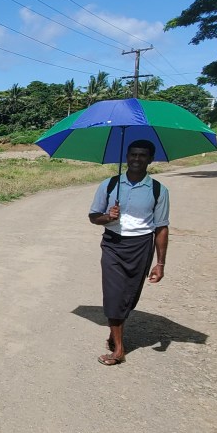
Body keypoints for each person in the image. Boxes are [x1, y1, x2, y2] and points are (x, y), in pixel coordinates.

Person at [88, 139, 169, 366]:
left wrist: (160, 263)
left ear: (150, 159)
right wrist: (108, 217)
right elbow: (93, 216)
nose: (136, 159)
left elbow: (161, 227)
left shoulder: (158, 190)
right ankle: (119, 350)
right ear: (126, 157)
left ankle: (114, 333)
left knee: (129, 297)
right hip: (112, 244)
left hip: (141, 246)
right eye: (133, 154)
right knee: (114, 295)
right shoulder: (110, 185)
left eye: (142, 155)